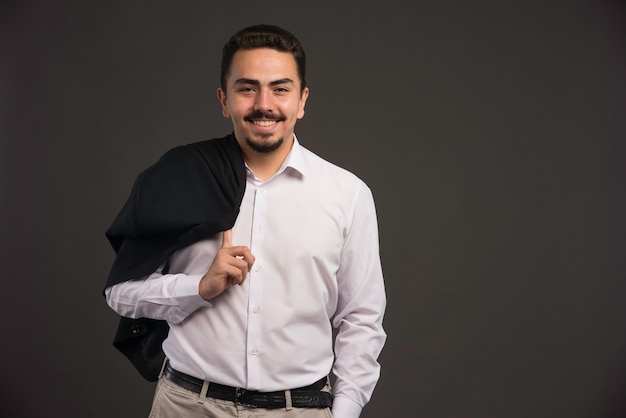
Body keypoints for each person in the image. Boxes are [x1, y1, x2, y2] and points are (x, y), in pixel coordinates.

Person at [104, 24, 386, 418]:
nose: (264, 103)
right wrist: (198, 287)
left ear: (302, 100)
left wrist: (345, 410)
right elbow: (120, 293)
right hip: (187, 406)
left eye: (281, 88)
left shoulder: (347, 193)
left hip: (301, 410)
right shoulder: (179, 177)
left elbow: (362, 319)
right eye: (247, 88)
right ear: (224, 99)